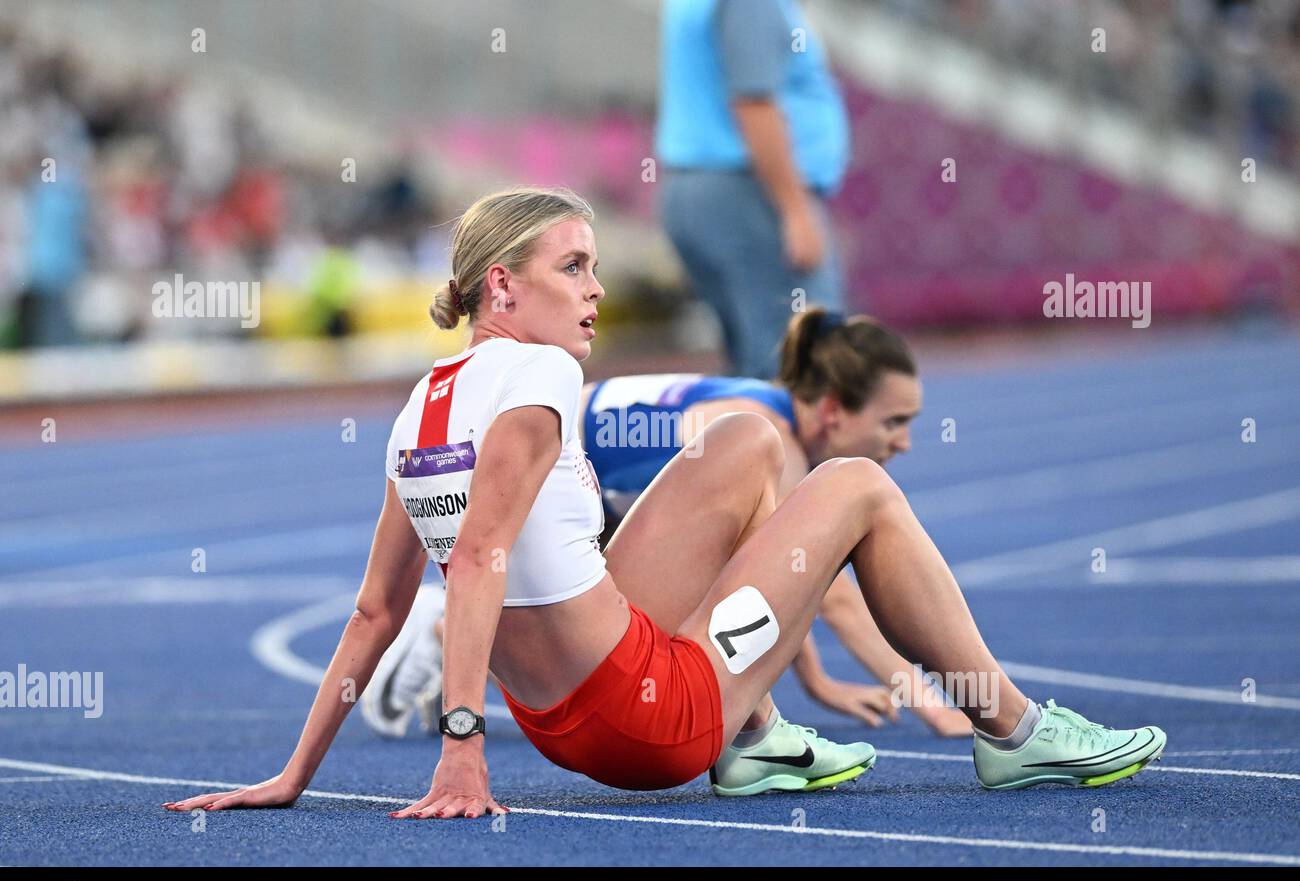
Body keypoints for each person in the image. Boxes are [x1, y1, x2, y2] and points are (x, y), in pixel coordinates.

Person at [164, 187, 1166, 820]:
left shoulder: (416, 407)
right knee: (857, 482)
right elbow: (477, 558)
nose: (597, 289)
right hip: (647, 720)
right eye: (574, 267)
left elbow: (377, 611)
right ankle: (1011, 729)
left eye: (595, 263)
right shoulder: (543, 378)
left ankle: (756, 739)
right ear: (502, 288)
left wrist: (292, 772)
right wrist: (461, 747)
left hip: (563, 706)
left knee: (745, 440)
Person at [368, 309, 969, 739]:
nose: (905, 442)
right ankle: (444, 632)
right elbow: (825, 596)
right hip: (541, 466)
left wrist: (813, 678)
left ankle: (453, 629)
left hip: (572, 475)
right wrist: (932, 703)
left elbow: (769, 577)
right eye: (893, 422)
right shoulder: (771, 435)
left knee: (632, 622)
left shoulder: (765, 410)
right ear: (834, 412)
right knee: (607, 637)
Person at [657, 0, 850, 378]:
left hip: (703, 186)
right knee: (806, 368)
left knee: (758, 363)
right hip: (747, 193)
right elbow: (754, 101)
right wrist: (795, 210)